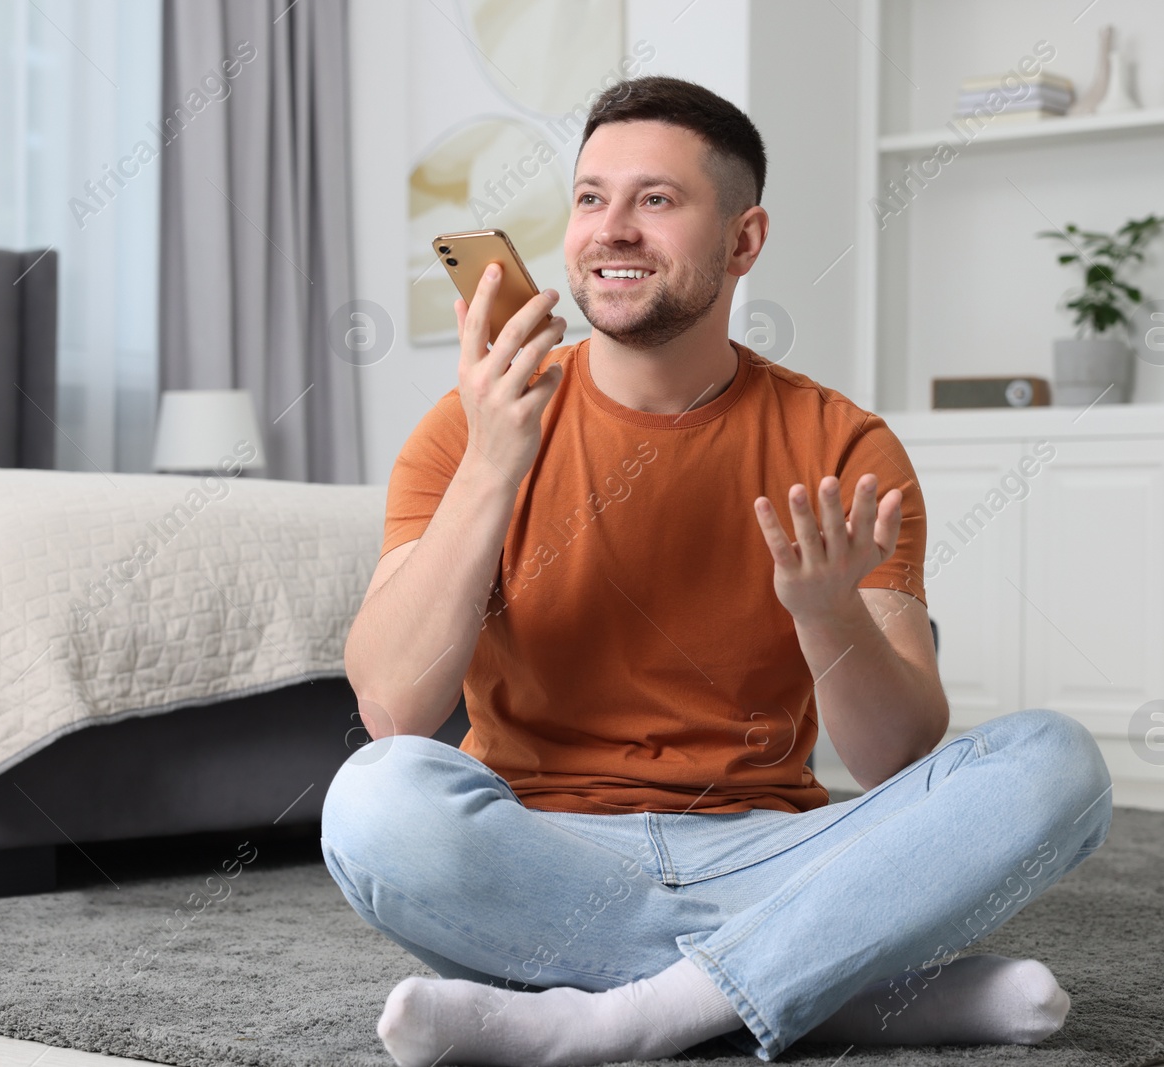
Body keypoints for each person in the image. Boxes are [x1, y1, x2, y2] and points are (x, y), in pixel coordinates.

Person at [323, 75, 1112, 1067]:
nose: (612, 229)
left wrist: (828, 614)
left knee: (1056, 763)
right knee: (372, 798)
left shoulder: (843, 443)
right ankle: (834, 988)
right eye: (589, 197)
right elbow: (396, 707)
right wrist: (491, 463)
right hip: (539, 848)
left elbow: (893, 757)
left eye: (655, 200)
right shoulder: (469, 426)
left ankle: (621, 1016)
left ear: (743, 240)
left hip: (768, 848)